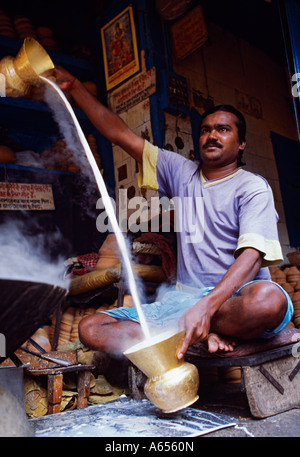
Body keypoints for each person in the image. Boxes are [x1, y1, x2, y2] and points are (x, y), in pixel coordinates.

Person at [50, 66, 293, 359]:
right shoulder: (180, 171)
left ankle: (194, 332)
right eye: (205, 130)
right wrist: (75, 87)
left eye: (223, 130)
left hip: (233, 300)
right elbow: (120, 133)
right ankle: (200, 337)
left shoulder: (253, 187)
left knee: (267, 301)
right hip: (183, 303)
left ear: (241, 144)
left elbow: (252, 256)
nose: (212, 135)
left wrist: (207, 307)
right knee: (92, 328)